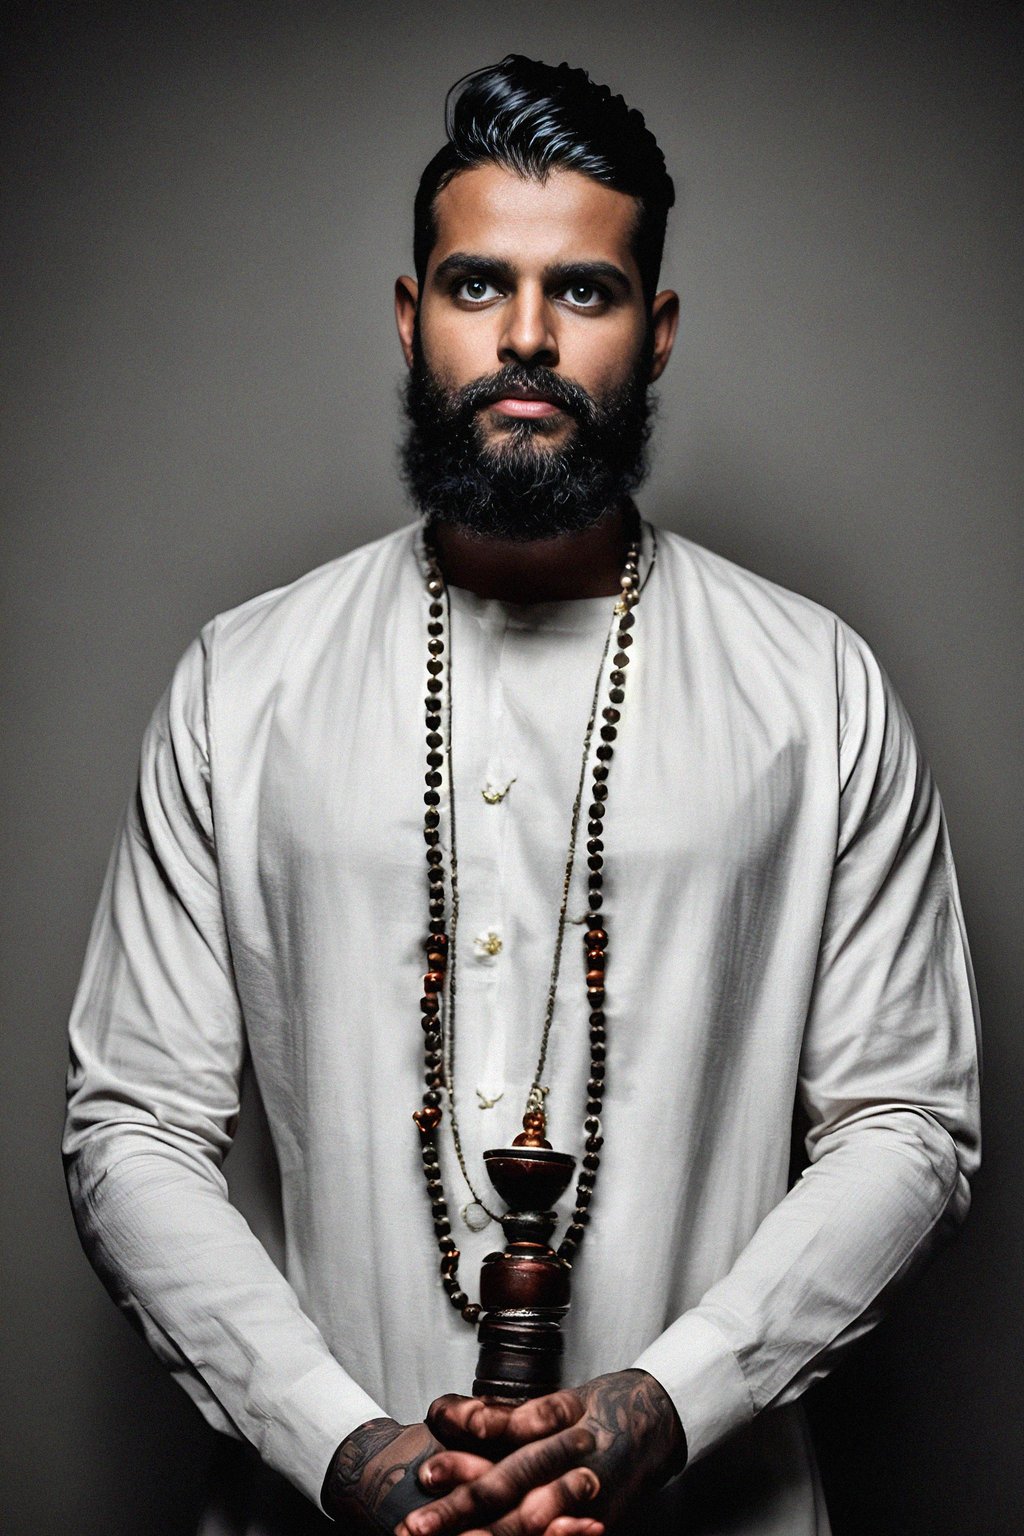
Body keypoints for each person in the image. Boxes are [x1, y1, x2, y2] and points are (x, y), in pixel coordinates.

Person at [63, 55, 980, 1536]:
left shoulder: (817, 689)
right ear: (411, 314)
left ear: (658, 331)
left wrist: (667, 1404)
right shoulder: (247, 683)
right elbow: (134, 1129)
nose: (529, 338)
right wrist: (341, 1448)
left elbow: (905, 1120)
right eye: (479, 286)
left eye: (588, 293)